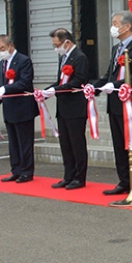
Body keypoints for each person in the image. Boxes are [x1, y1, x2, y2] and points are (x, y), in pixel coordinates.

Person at [93, 11, 132, 197]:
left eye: (116, 23)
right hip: (115, 104)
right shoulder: (116, 48)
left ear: (127, 26)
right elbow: (110, 73)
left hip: (130, 105)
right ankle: (124, 180)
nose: (113, 27)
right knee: (119, 144)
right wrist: (95, 87)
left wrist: (115, 85)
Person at [43, 29, 90, 189]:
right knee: (65, 144)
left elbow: (79, 81)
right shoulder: (63, 58)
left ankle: (79, 177)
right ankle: (68, 175)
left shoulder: (79, 57)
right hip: (62, 107)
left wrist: (56, 90)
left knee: (77, 143)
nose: (56, 48)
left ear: (67, 42)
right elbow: (60, 81)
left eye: (57, 45)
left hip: (75, 107)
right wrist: (47, 91)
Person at [0, 35, 38, 183]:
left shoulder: (23, 61)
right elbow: (3, 83)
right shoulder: (1, 64)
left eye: (2, 49)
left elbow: (24, 83)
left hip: (23, 107)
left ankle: (27, 171)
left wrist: (4, 89)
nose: (0, 52)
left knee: (25, 141)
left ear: (11, 46)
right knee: (13, 142)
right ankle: (16, 170)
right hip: (9, 107)